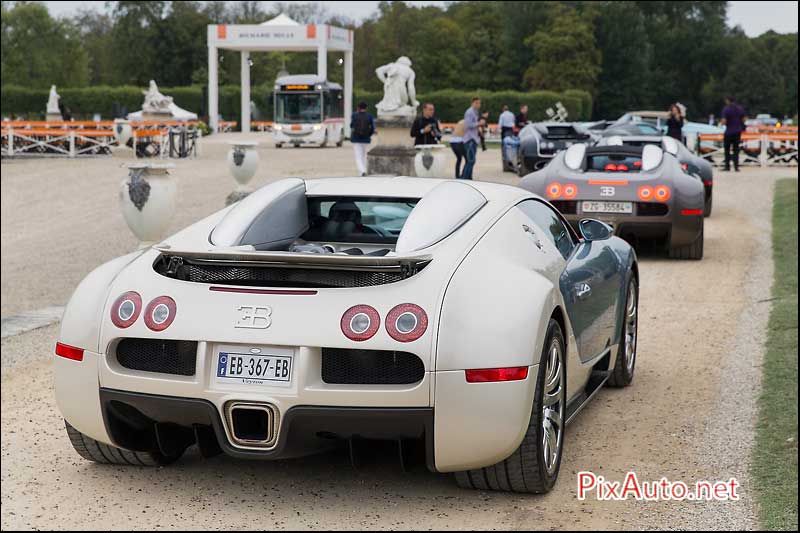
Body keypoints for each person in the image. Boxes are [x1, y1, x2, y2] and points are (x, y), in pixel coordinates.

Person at [720, 96, 747, 171]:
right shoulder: (739, 109)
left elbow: (724, 121)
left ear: (727, 101)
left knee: (727, 149)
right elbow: (744, 119)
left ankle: (727, 166)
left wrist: (722, 124)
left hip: (729, 131)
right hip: (737, 131)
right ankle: (736, 166)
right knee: (736, 149)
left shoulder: (726, 109)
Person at [461, 97, 485, 180]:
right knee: (471, 160)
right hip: (469, 139)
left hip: (474, 139)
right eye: (477, 103)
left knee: (470, 161)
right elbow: (468, 125)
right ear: (472, 103)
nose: (479, 105)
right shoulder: (469, 112)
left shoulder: (475, 112)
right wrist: (479, 123)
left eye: (479, 103)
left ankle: (468, 178)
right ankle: (465, 179)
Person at [350, 101, 375, 177]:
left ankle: (362, 171)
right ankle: (362, 171)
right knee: (363, 155)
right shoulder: (369, 116)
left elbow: (351, 126)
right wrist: (369, 135)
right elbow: (373, 128)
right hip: (366, 139)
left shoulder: (354, 115)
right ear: (366, 108)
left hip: (356, 139)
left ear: (358, 108)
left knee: (358, 156)